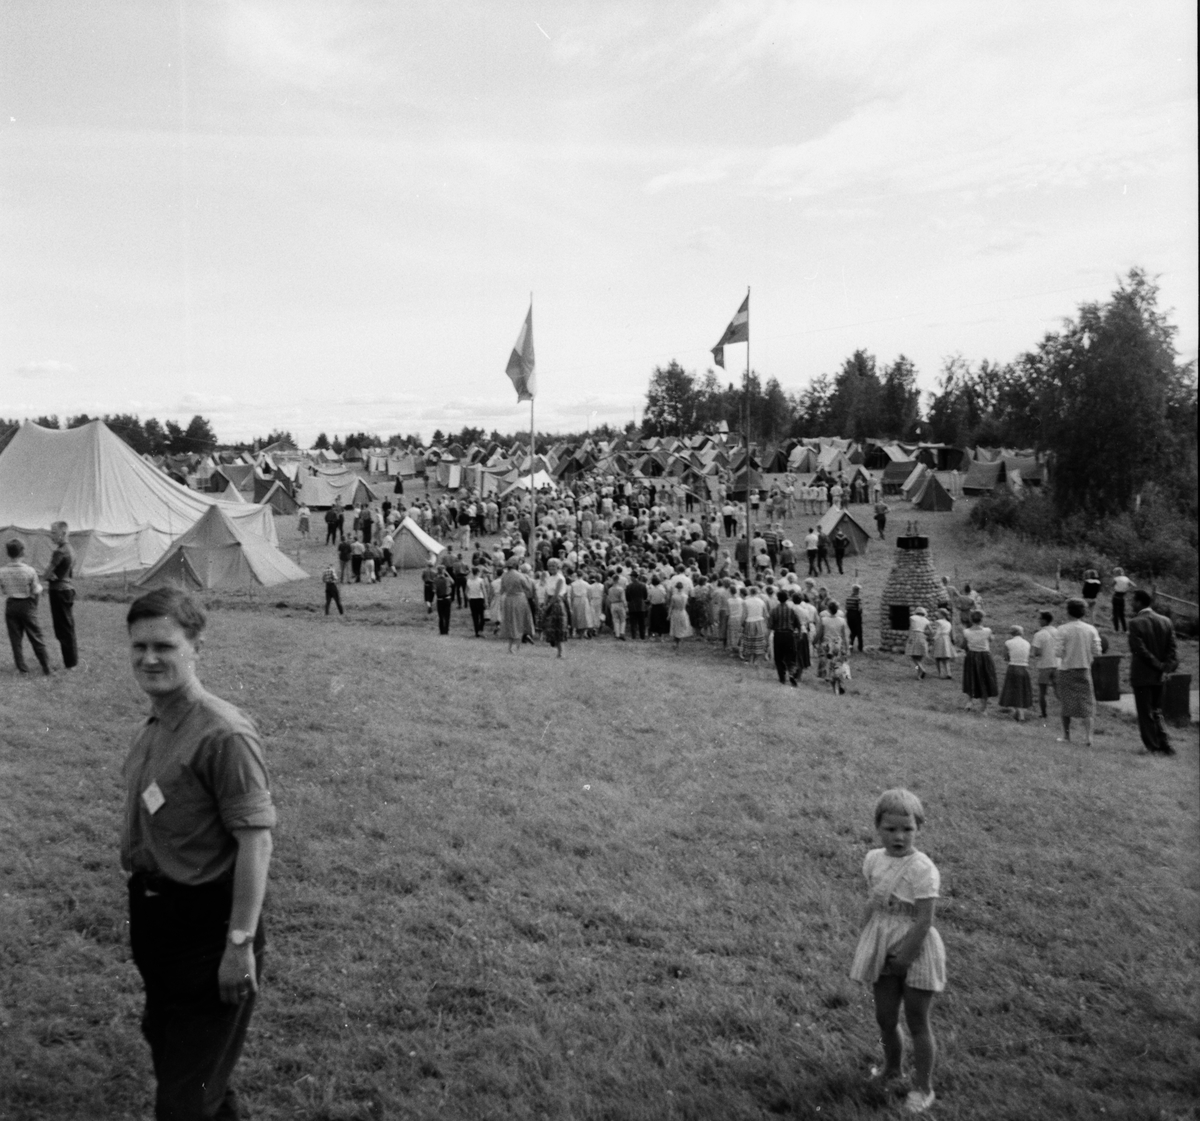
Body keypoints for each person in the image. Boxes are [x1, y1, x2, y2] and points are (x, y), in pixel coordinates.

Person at [122, 588, 276, 1121]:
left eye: (164, 645)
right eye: (138, 647)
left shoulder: (224, 733)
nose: (149, 659)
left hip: (209, 930)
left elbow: (256, 840)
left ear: (196, 646)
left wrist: (239, 944)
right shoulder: (157, 723)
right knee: (181, 1059)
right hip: (156, 919)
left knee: (185, 1098)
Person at [849, 789, 945, 1115]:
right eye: (890, 829)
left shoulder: (923, 869)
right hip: (882, 945)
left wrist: (904, 958)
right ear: (878, 827)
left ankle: (923, 1087)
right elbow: (874, 901)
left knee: (918, 1021)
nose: (899, 836)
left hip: (916, 951)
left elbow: (924, 920)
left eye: (907, 829)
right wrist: (865, 937)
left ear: (919, 828)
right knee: (885, 1017)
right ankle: (892, 1069)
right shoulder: (874, 859)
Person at [1127, 589, 1178, 756]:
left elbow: (1139, 650)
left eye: (1133, 601)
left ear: (1140, 602)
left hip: (1143, 675)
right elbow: (1172, 649)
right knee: (1157, 711)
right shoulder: (1166, 621)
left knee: (1145, 712)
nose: (1131, 604)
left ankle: (1153, 746)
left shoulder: (1135, 623)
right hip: (1160, 676)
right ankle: (1164, 743)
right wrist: (1166, 668)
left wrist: (1158, 665)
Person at [1054, 598, 1102, 746]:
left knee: (1066, 703)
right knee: (1086, 703)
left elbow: (1058, 652)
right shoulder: (1091, 629)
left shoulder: (1062, 629)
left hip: (1067, 669)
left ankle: (1066, 736)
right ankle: (1088, 738)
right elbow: (1097, 651)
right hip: (1084, 669)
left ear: (1068, 611)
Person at [2, 539, 51, 675]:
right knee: (36, 636)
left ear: (8, 553)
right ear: (22, 552)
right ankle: (46, 667)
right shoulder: (29, 570)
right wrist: (33, 606)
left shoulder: (2, 571)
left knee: (15, 640)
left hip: (11, 604)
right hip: (27, 604)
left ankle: (22, 669)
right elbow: (36, 591)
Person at [44, 520, 78, 669]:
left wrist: (49, 576)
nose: (51, 535)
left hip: (58, 591)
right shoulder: (71, 549)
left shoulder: (59, 551)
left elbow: (46, 574)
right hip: (68, 589)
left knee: (62, 629)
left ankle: (70, 663)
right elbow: (66, 571)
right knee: (68, 626)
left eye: (53, 532)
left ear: (63, 533)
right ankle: (72, 661)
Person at [960, 610, 997, 714]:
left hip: (971, 655)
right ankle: (983, 708)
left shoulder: (966, 631)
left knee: (971, 677)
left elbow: (963, 645)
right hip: (984, 656)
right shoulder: (987, 630)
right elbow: (991, 640)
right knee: (984, 679)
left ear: (972, 619)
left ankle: (969, 702)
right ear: (982, 619)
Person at [498, 558, 535, 654]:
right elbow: (528, 588)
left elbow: (502, 590)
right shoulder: (520, 576)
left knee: (510, 622)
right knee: (520, 622)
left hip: (508, 599)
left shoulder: (504, 576)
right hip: (519, 599)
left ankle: (510, 646)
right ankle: (516, 647)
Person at [998, 625, 1033, 721]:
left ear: (1011, 633)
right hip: (1024, 668)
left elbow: (1005, 657)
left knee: (1014, 691)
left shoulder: (1008, 643)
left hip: (1013, 667)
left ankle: (1020, 714)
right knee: (1021, 691)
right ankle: (1018, 712)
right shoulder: (1027, 643)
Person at [1030, 611, 1059, 720]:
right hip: (1057, 664)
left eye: (1040, 619)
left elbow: (1037, 652)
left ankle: (1044, 713)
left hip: (1045, 665)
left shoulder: (1039, 634)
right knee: (1058, 690)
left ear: (1044, 620)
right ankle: (1066, 712)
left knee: (1043, 692)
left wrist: (1034, 654)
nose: (1038, 621)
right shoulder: (1057, 632)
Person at [769, 590, 800, 686]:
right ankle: (791, 674)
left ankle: (782, 677)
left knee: (779, 657)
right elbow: (797, 624)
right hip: (789, 635)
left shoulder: (774, 610)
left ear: (778, 599)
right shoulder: (791, 610)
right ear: (787, 598)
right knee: (791, 656)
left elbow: (770, 625)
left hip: (778, 635)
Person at [541, 559, 569, 657]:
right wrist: (544, 604)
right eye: (550, 566)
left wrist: (548, 605)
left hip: (557, 604)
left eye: (553, 566)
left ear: (558, 567)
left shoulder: (560, 578)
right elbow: (546, 592)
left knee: (558, 628)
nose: (551, 568)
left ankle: (561, 652)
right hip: (549, 602)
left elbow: (556, 594)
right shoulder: (549, 578)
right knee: (550, 628)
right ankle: (557, 649)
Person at [905, 606, 930, 679]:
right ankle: (919, 675)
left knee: (913, 655)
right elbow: (931, 631)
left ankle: (922, 669)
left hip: (914, 635)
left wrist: (909, 637)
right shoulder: (926, 620)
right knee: (919, 657)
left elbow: (911, 628)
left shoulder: (912, 618)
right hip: (922, 636)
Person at [668, 580, 692, 654]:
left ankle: (676, 642)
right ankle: (679, 643)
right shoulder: (685, 596)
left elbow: (671, 606)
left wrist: (669, 614)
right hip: (682, 612)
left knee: (676, 627)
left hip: (676, 612)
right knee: (682, 627)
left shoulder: (674, 596)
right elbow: (686, 605)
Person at [930, 609, 955, 679]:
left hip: (940, 639)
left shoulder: (938, 622)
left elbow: (937, 631)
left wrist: (934, 638)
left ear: (942, 614)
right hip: (946, 639)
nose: (937, 614)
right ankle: (948, 672)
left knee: (937, 657)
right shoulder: (948, 623)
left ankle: (940, 673)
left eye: (938, 613)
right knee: (946, 658)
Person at [1110, 568, 1135, 633]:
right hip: (1123, 596)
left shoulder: (1116, 579)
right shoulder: (1126, 578)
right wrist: (1127, 589)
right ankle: (1125, 629)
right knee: (1122, 614)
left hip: (1116, 596)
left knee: (1115, 613)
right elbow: (1134, 585)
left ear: (1116, 573)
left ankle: (1116, 629)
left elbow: (1111, 585)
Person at [466, 566, 488, 637]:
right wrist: (486, 601)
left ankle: (476, 632)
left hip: (472, 599)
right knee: (481, 616)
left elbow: (465, 592)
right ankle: (480, 629)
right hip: (480, 598)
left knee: (475, 616)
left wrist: (468, 598)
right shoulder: (480, 580)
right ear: (478, 572)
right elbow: (484, 591)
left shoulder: (469, 580)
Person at [433, 565, 454, 635]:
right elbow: (453, 582)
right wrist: (447, 574)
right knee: (447, 615)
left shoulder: (435, 580)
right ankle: (446, 630)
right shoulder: (447, 579)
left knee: (441, 615)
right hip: (447, 598)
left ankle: (441, 630)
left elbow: (434, 590)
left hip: (440, 599)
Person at [845, 583, 864, 654]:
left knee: (852, 631)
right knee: (859, 632)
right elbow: (860, 608)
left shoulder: (848, 598)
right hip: (856, 615)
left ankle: (850, 645)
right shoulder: (858, 598)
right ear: (857, 590)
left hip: (849, 615)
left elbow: (846, 607)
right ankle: (860, 647)